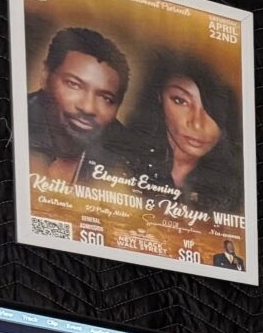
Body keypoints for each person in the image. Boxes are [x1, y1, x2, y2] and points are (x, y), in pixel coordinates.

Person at [104, 52, 246, 219]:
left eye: (212, 108)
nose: (197, 123)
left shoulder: (238, 189)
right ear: (159, 98)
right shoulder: (115, 161)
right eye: (180, 100)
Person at [23, 25, 127, 183]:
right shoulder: (12, 123)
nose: (87, 107)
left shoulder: (125, 159)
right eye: (74, 84)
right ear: (45, 77)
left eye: (106, 98)